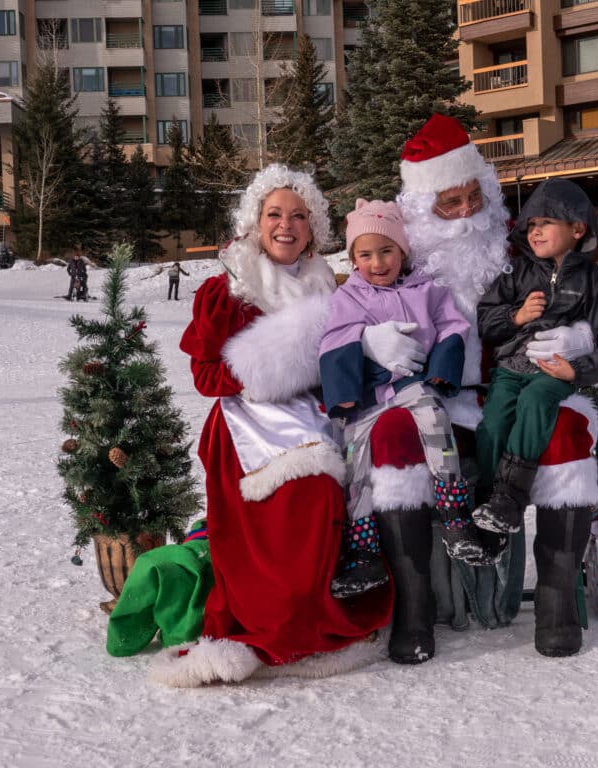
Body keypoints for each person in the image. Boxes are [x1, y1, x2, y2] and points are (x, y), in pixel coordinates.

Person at [356, 113, 598, 662]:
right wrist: (371, 343)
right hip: (429, 400)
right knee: (397, 435)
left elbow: (588, 294)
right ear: (424, 211)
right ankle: (414, 606)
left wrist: (575, 335)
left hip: (518, 388)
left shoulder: (522, 253)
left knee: (566, 430)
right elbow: (347, 310)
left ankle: (556, 598)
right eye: (450, 203)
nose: (468, 213)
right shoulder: (393, 261)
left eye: (475, 197)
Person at [150, 165, 391, 687]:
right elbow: (205, 374)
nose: (287, 225)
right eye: (275, 214)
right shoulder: (228, 288)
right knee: (298, 494)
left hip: (314, 413)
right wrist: (264, 370)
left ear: (313, 227)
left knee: (335, 489)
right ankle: (276, 622)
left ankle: (318, 614)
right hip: (248, 421)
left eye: (299, 216)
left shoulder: (325, 284)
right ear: (255, 222)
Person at [475, 179, 598, 655]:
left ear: (577, 228)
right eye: (532, 224)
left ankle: (512, 490)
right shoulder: (520, 274)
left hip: (554, 372)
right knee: (493, 422)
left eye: (546, 223)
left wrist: (577, 367)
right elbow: (485, 317)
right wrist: (517, 318)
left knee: (540, 402)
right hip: (511, 369)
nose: (535, 231)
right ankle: (490, 507)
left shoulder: (592, 283)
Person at [319, 199, 495, 601]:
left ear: (403, 252)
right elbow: (333, 338)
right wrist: (354, 367)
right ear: (354, 257)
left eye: (387, 251)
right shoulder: (349, 296)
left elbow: (453, 325)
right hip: (367, 394)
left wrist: (440, 368)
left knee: (434, 419)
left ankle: (453, 513)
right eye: (365, 255)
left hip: (410, 384)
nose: (377, 263)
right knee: (355, 461)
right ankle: (365, 549)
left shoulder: (426, 289)